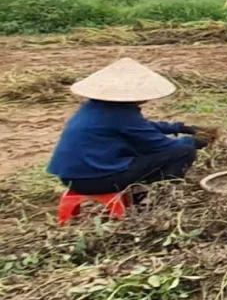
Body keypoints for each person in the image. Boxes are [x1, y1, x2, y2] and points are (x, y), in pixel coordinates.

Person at [47, 58, 214, 197]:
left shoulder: (95, 108)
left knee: (151, 150)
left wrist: (180, 127)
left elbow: (142, 127)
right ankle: (158, 197)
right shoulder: (121, 114)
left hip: (71, 177)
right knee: (183, 151)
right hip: (97, 180)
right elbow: (161, 145)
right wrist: (192, 141)